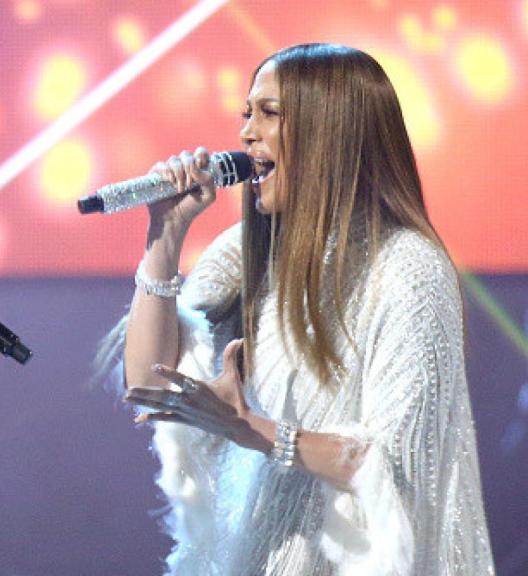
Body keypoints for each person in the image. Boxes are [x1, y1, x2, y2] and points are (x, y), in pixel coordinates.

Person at [111, 43, 494, 575]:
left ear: (332, 133)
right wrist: (165, 235)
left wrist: (255, 430)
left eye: (270, 114)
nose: (246, 134)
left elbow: (396, 464)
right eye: (246, 113)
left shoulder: (408, 269)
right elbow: (148, 382)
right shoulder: (252, 245)